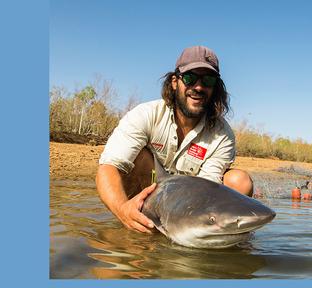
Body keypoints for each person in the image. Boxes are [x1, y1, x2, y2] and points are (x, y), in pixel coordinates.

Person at [96, 46, 253, 233]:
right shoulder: (145, 114)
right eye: (190, 78)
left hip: (189, 199)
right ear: (174, 81)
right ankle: (134, 221)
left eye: (208, 80)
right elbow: (108, 168)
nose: (198, 87)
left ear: (215, 88)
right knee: (136, 157)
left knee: (239, 180)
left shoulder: (223, 134)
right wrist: (121, 209)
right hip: (146, 191)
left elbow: (207, 189)